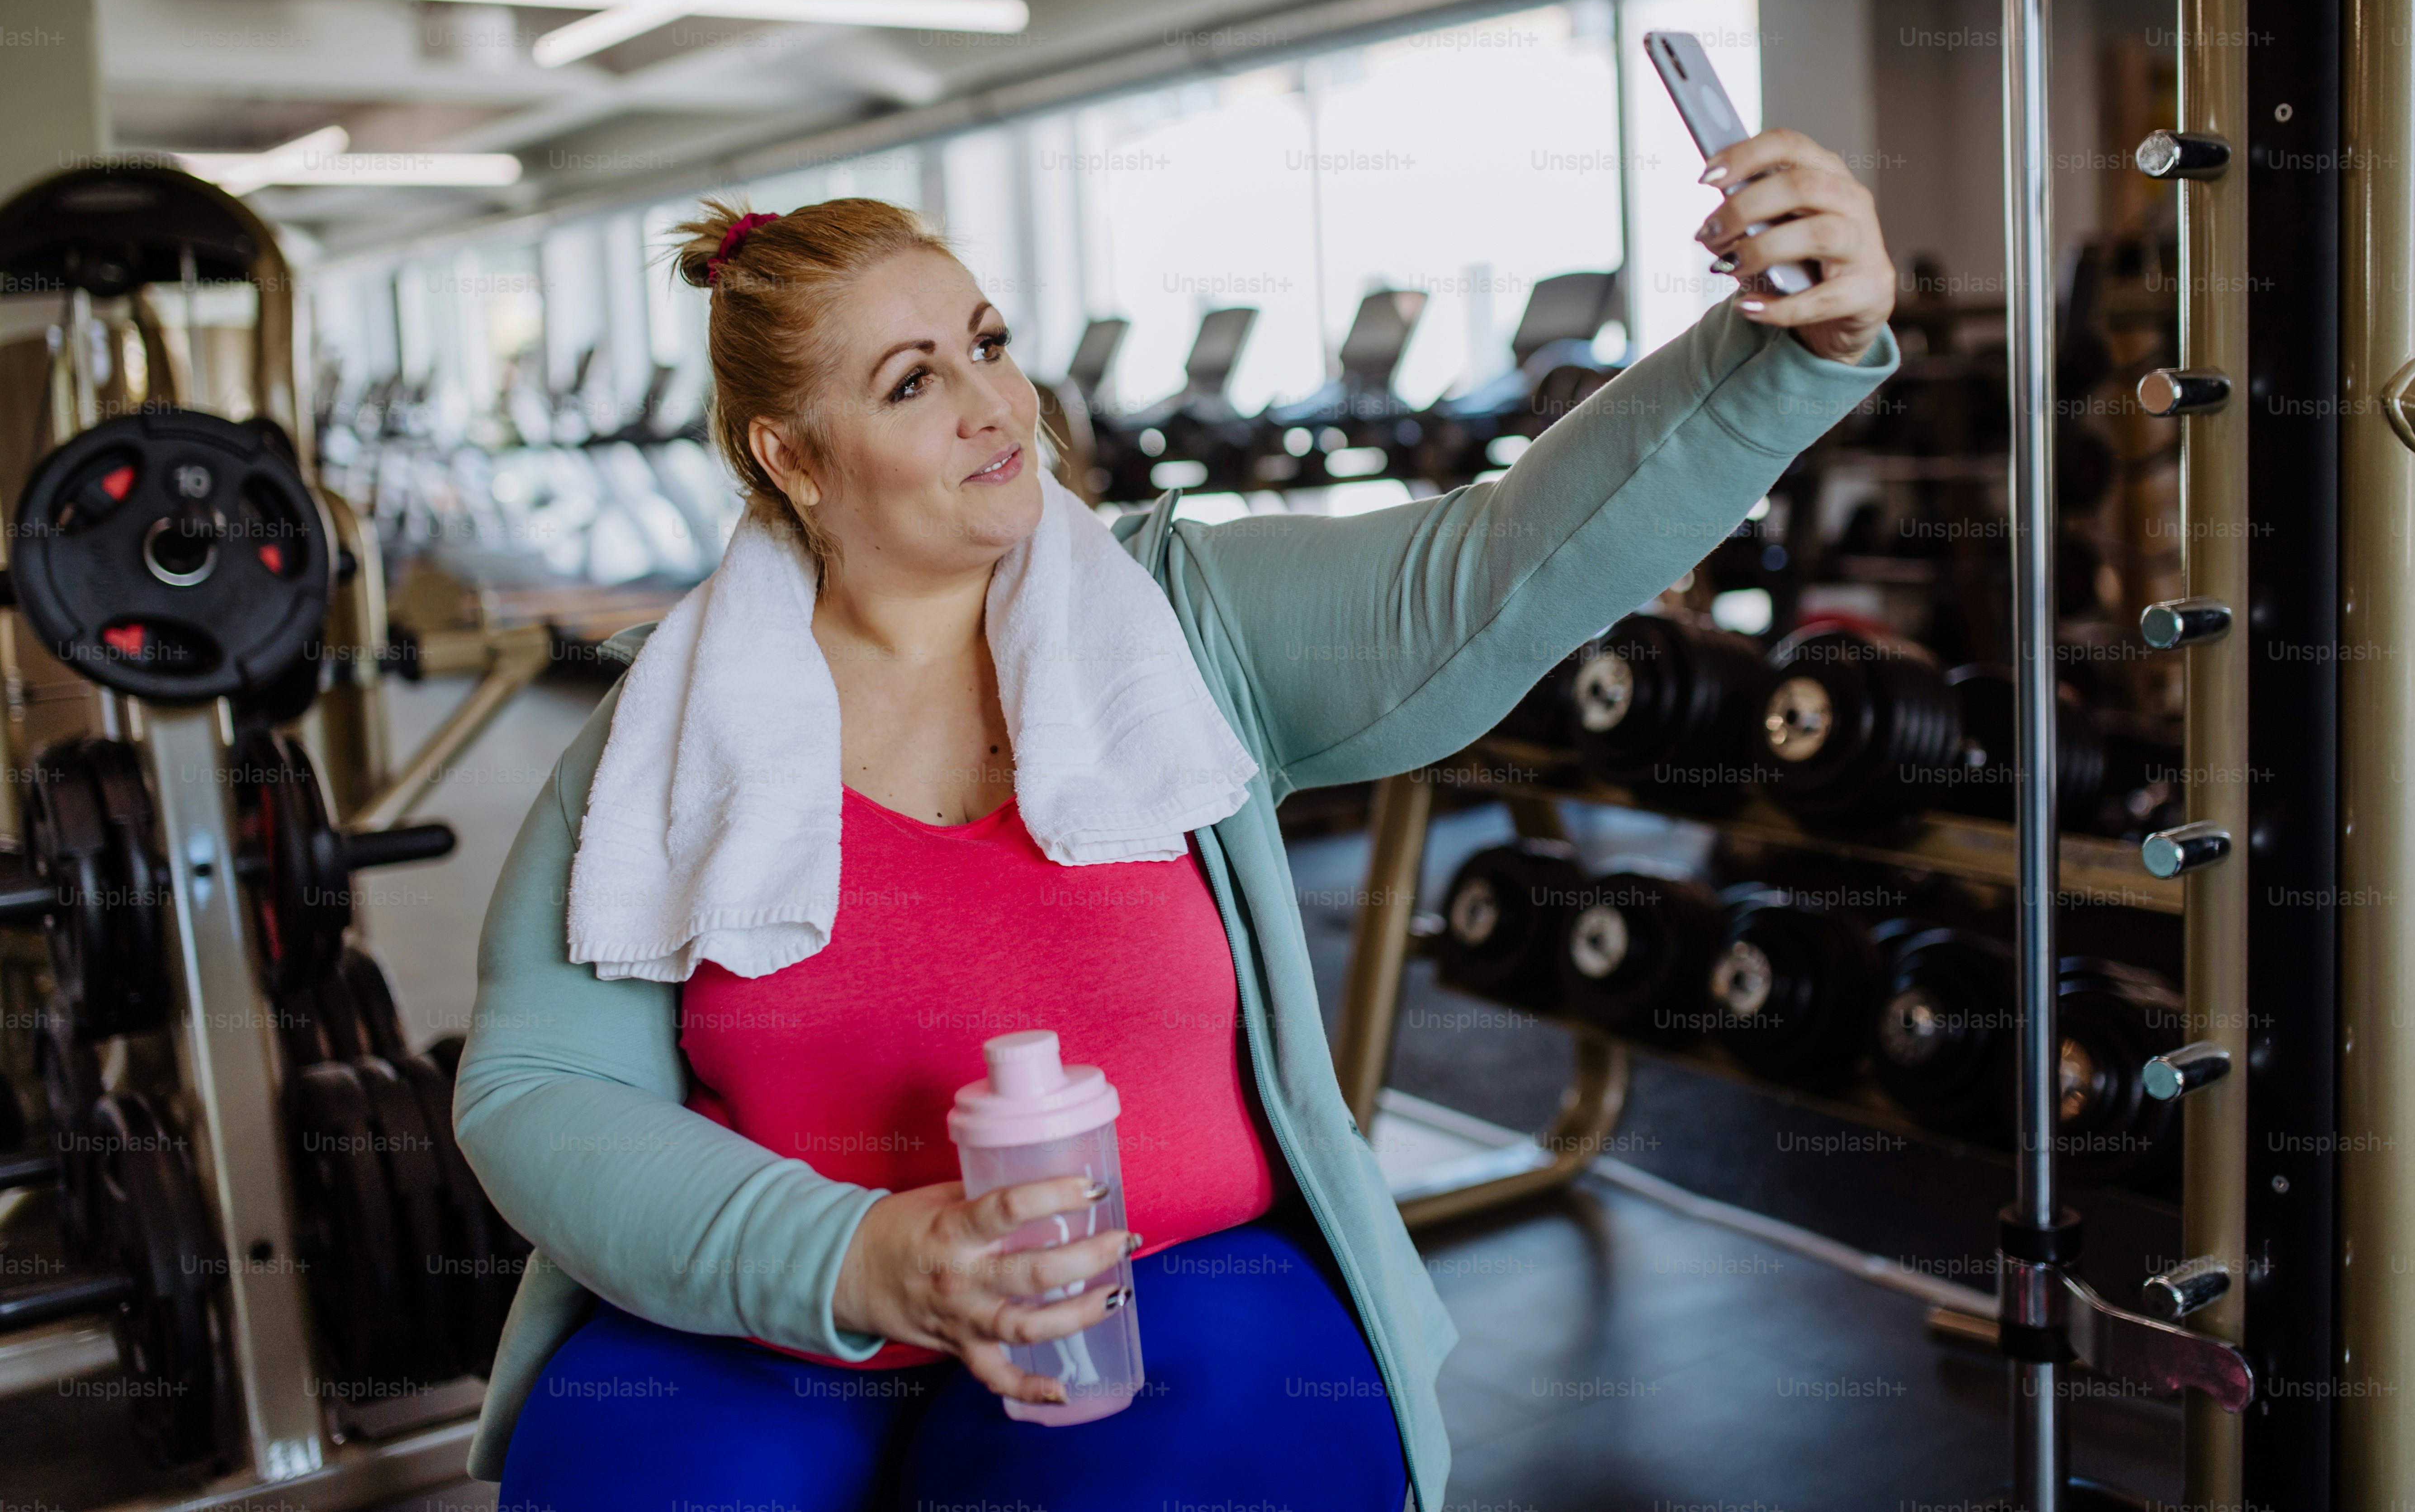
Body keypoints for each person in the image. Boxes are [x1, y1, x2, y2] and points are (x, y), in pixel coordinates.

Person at [455, 128, 1898, 1512]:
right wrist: (861, 1256)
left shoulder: (1173, 622)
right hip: (783, 1303)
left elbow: (1492, 563)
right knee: (621, 1478)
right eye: (912, 384)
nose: (994, 405)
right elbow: (540, 1088)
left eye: (989, 343)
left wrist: (1775, 351)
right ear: (790, 455)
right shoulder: (667, 731)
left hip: (1170, 1279)